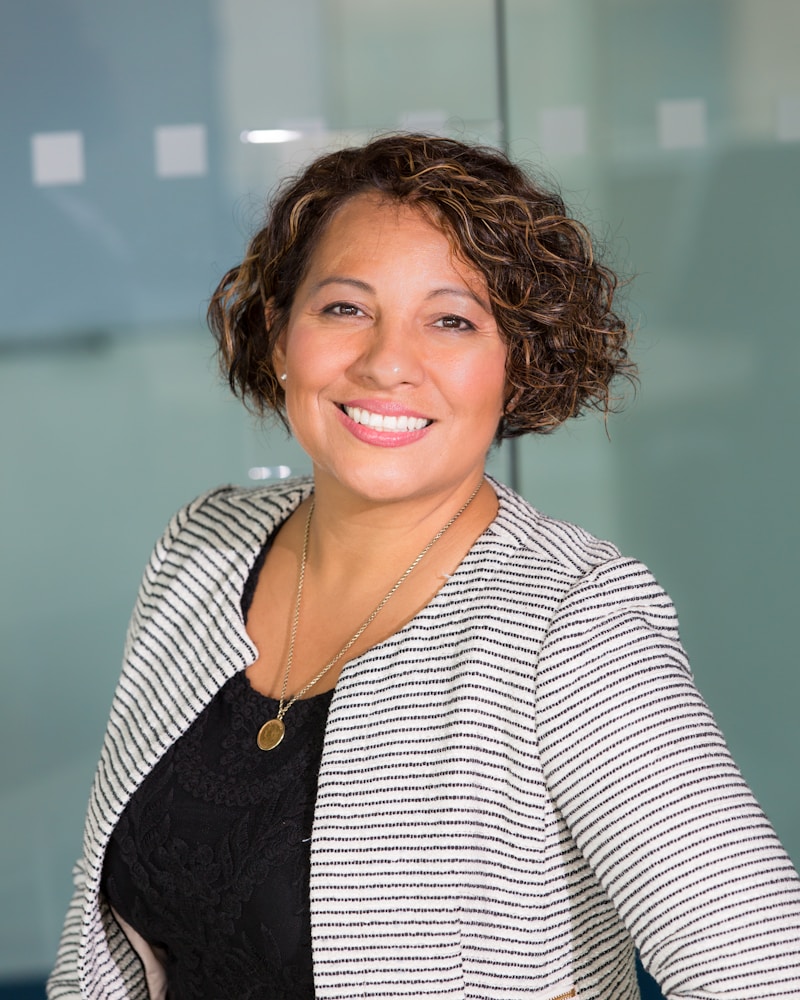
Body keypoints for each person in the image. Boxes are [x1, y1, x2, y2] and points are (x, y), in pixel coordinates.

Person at [49, 134, 800, 1000]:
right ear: (278, 332)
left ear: (518, 364)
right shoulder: (203, 548)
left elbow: (760, 974)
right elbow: (95, 936)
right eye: (344, 309)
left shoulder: (572, 623)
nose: (386, 363)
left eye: (451, 320)